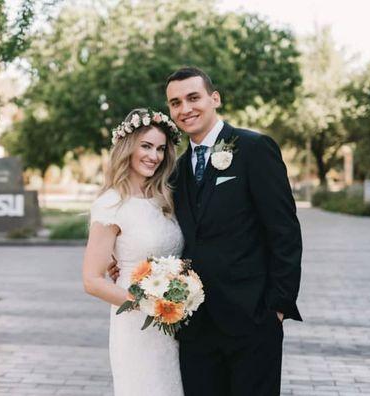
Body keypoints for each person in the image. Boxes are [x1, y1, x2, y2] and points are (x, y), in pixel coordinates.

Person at [108, 66, 303, 395]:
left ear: (215, 98)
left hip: (252, 320)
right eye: (175, 102)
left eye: (193, 98)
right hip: (194, 327)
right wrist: (123, 257)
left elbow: (284, 232)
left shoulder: (255, 149)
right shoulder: (176, 169)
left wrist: (278, 308)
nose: (185, 109)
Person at [82, 108, 185, 396]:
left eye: (161, 149)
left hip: (174, 321)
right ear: (128, 147)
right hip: (136, 322)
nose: (154, 156)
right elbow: (92, 280)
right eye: (146, 146)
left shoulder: (164, 198)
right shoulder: (111, 204)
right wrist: (148, 305)